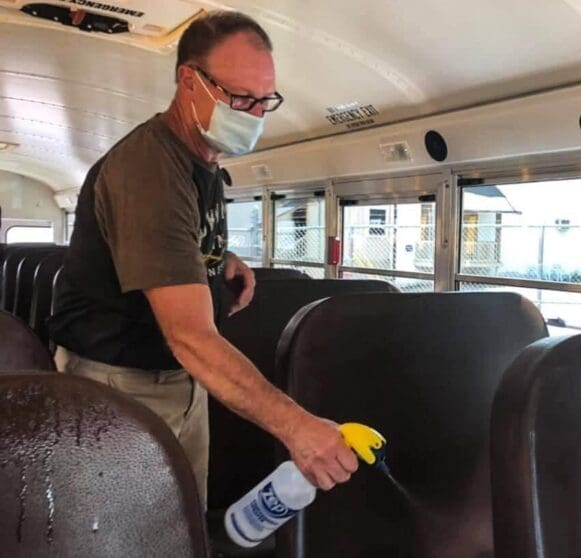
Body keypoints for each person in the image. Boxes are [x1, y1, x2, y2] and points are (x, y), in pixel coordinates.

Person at [48, 11, 358, 506]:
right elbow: (189, 335)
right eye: (239, 99)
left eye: (264, 102)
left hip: (179, 378)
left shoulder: (203, 159)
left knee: (181, 519)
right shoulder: (149, 169)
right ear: (189, 81)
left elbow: (171, 238)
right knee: (125, 532)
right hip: (120, 383)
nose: (254, 115)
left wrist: (217, 257)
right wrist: (296, 426)